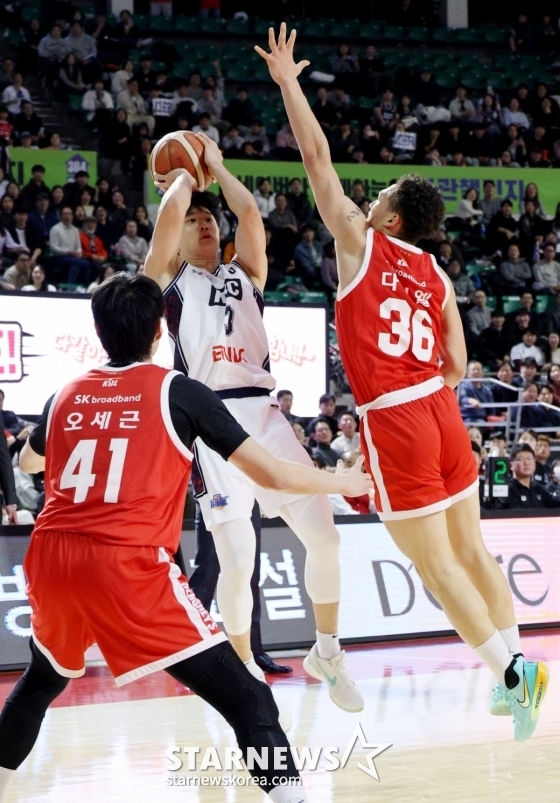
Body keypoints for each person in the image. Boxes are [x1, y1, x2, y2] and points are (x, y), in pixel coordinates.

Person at [257, 23, 549, 742]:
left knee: (437, 569)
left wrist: (289, 83)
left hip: (398, 418)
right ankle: (517, 665)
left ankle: (514, 678)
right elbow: (456, 364)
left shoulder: (359, 240)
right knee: (473, 553)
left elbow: (317, 158)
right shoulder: (438, 274)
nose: (369, 200)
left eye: (379, 194)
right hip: (445, 412)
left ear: (388, 216)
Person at [0, 273, 370, 803]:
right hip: (125, 564)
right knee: (250, 701)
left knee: (41, 680)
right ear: (160, 331)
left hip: (51, 558)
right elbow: (273, 475)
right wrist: (344, 483)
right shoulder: (179, 391)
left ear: (99, 332)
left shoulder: (64, 394)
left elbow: (29, 463)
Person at [144, 132, 365, 717]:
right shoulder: (170, 282)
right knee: (238, 562)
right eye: (193, 221)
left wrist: (215, 164)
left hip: (266, 416)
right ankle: (242, 668)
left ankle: (327, 651)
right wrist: (182, 179)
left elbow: (247, 213)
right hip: (211, 424)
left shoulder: (247, 274)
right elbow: (166, 224)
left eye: (207, 220)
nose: (203, 225)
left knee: (326, 537)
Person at [496, 444, 560, 510]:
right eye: (520, 459)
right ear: (511, 465)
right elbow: (516, 513)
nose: (526, 463)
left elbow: (555, 504)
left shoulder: (537, 488)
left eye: (529, 458)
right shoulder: (507, 489)